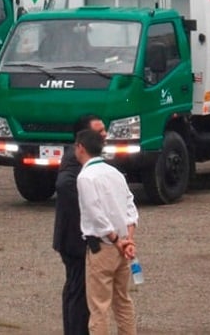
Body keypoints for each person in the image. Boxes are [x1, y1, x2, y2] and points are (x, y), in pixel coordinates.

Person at [76, 128, 139, 335]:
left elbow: (95, 213)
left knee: (99, 306)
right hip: (123, 246)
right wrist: (127, 239)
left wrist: (114, 238)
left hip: (103, 246)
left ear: (80, 148)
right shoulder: (115, 173)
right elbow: (130, 206)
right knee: (122, 301)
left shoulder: (86, 177)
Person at [54, 114, 107, 335]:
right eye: (99, 131)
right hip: (75, 240)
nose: (104, 134)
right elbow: (64, 185)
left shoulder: (86, 159)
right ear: (82, 139)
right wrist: (87, 219)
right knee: (79, 291)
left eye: (104, 130)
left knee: (76, 289)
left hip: (74, 238)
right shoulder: (75, 160)